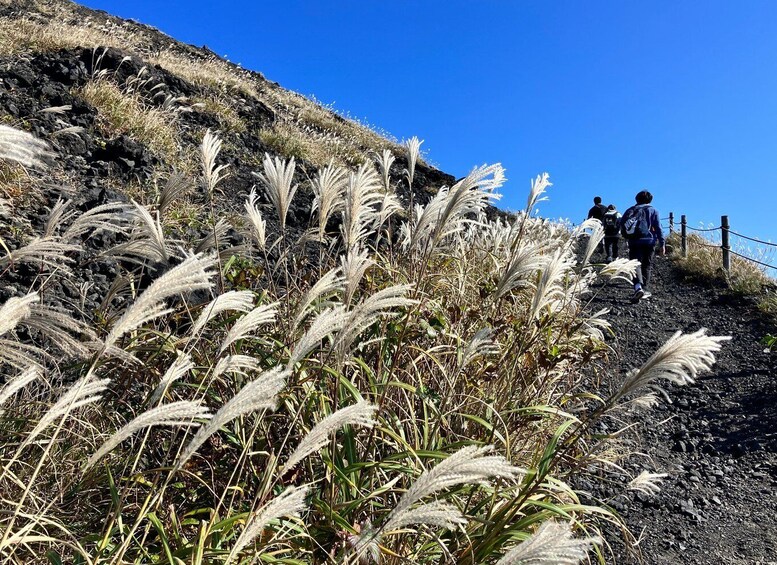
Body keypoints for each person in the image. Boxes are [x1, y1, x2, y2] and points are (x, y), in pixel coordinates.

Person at [620, 190, 665, 302]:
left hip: (634, 241)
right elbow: (658, 228)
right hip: (649, 241)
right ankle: (645, 288)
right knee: (647, 264)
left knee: (635, 264)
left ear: (637, 199)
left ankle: (637, 287)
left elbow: (622, 225)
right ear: (650, 200)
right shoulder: (653, 210)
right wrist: (662, 243)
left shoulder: (630, 210)